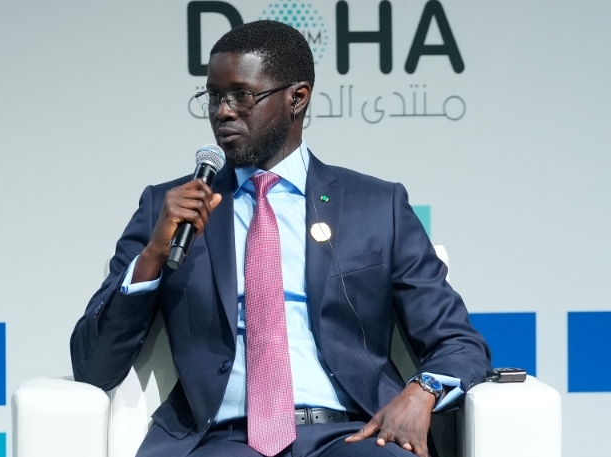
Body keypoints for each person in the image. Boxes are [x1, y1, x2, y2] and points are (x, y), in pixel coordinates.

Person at [71, 20, 491, 457]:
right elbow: (93, 365)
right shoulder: (169, 207)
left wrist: (422, 391)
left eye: (241, 95)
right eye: (213, 97)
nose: (222, 112)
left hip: (352, 433)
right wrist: (153, 256)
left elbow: (458, 343)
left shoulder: (376, 207)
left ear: (297, 98)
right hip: (222, 439)